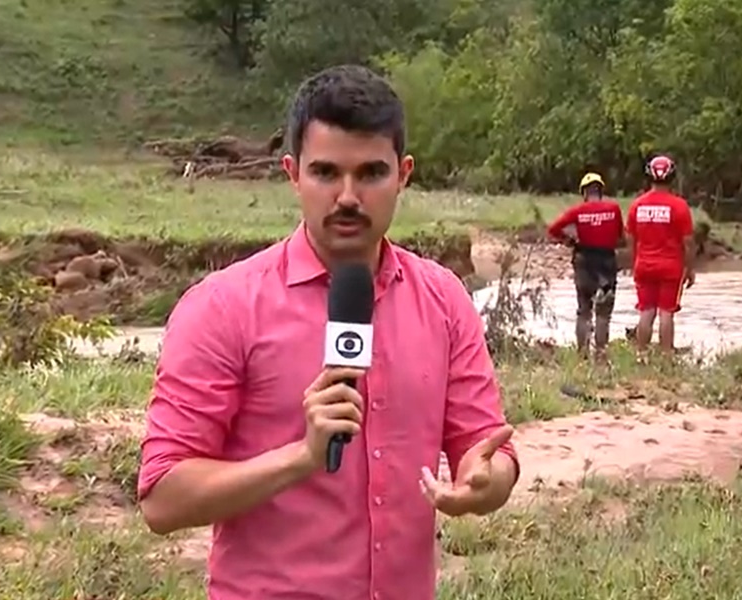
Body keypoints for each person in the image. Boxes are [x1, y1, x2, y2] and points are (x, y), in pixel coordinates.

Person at [136, 65, 520, 600]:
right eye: (325, 173)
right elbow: (162, 499)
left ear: (403, 173)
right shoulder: (222, 307)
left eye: (370, 173)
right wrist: (302, 457)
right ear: (293, 173)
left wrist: (487, 484)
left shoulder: (444, 300)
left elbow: (488, 453)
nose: (347, 196)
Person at [546, 172, 625, 361]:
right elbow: (621, 236)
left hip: (583, 261)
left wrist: (568, 240)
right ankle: (601, 354)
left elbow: (553, 229)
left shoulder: (577, 211)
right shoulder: (613, 209)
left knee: (584, 310)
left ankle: (582, 355)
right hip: (606, 261)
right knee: (604, 311)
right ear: (601, 190)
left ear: (584, 192)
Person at [625, 155, 695, 354]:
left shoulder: (637, 205)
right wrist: (690, 268)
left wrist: (635, 260)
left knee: (646, 311)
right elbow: (688, 242)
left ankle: (641, 354)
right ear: (672, 176)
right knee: (667, 312)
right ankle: (666, 356)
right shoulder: (679, 206)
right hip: (671, 267)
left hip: (644, 264)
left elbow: (630, 237)